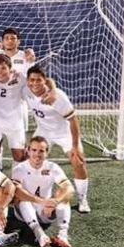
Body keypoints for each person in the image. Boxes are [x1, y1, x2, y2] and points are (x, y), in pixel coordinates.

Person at [24, 65, 90, 213]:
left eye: (38, 80)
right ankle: (31, 196)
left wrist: (74, 146)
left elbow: (73, 120)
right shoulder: (26, 90)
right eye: (31, 80)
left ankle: (82, 199)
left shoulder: (57, 97)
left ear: (44, 81)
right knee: (29, 159)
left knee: (78, 161)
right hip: (44, 132)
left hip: (64, 133)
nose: (34, 83)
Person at [12, 136, 75, 247]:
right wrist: (42, 201)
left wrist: (55, 201)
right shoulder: (20, 168)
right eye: (34, 150)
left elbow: (70, 189)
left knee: (63, 196)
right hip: (24, 212)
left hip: (46, 210)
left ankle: (63, 235)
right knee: (21, 200)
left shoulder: (52, 167)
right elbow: (17, 192)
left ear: (47, 153)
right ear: (28, 151)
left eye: (41, 151)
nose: (37, 154)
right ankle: (39, 233)